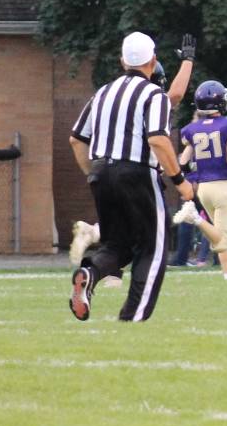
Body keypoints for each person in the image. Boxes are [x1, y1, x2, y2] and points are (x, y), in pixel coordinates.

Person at [66, 32, 196, 322]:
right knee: (153, 249)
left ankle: (90, 272)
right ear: (153, 60)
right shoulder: (152, 94)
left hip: (101, 171)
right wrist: (180, 182)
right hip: (136, 173)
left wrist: (93, 173)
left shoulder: (103, 92)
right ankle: (133, 316)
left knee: (117, 246)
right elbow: (159, 141)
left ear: (122, 61)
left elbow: (76, 139)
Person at [174, 81, 227, 277]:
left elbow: (183, 161)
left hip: (204, 188)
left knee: (223, 235)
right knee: (223, 237)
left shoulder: (192, 129)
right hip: (224, 184)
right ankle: (195, 218)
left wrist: (190, 177)